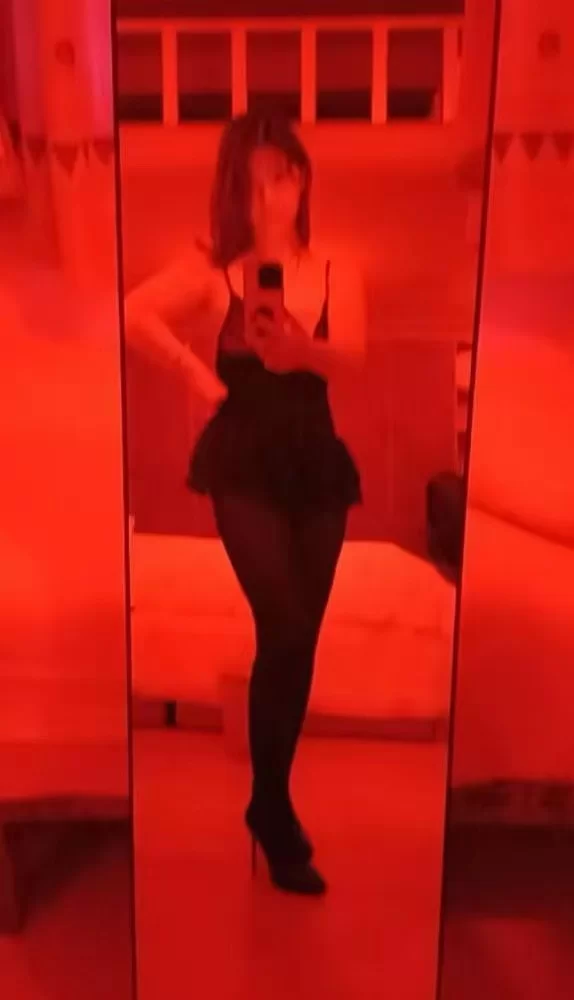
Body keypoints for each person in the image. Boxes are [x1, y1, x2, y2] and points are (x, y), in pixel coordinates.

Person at [125, 112, 366, 896]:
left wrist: (301, 350)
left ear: (303, 179)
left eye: (283, 176)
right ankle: (273, 809)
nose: (271, 196)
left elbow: (354, 357)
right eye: (255, 182)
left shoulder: (337, 266)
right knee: (286, 624)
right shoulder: (211, 268)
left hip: (316, 460)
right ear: (235, 190)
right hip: (242, 459)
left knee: (298, 642)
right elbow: (133, 314)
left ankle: (268, 802)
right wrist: (202, 378)